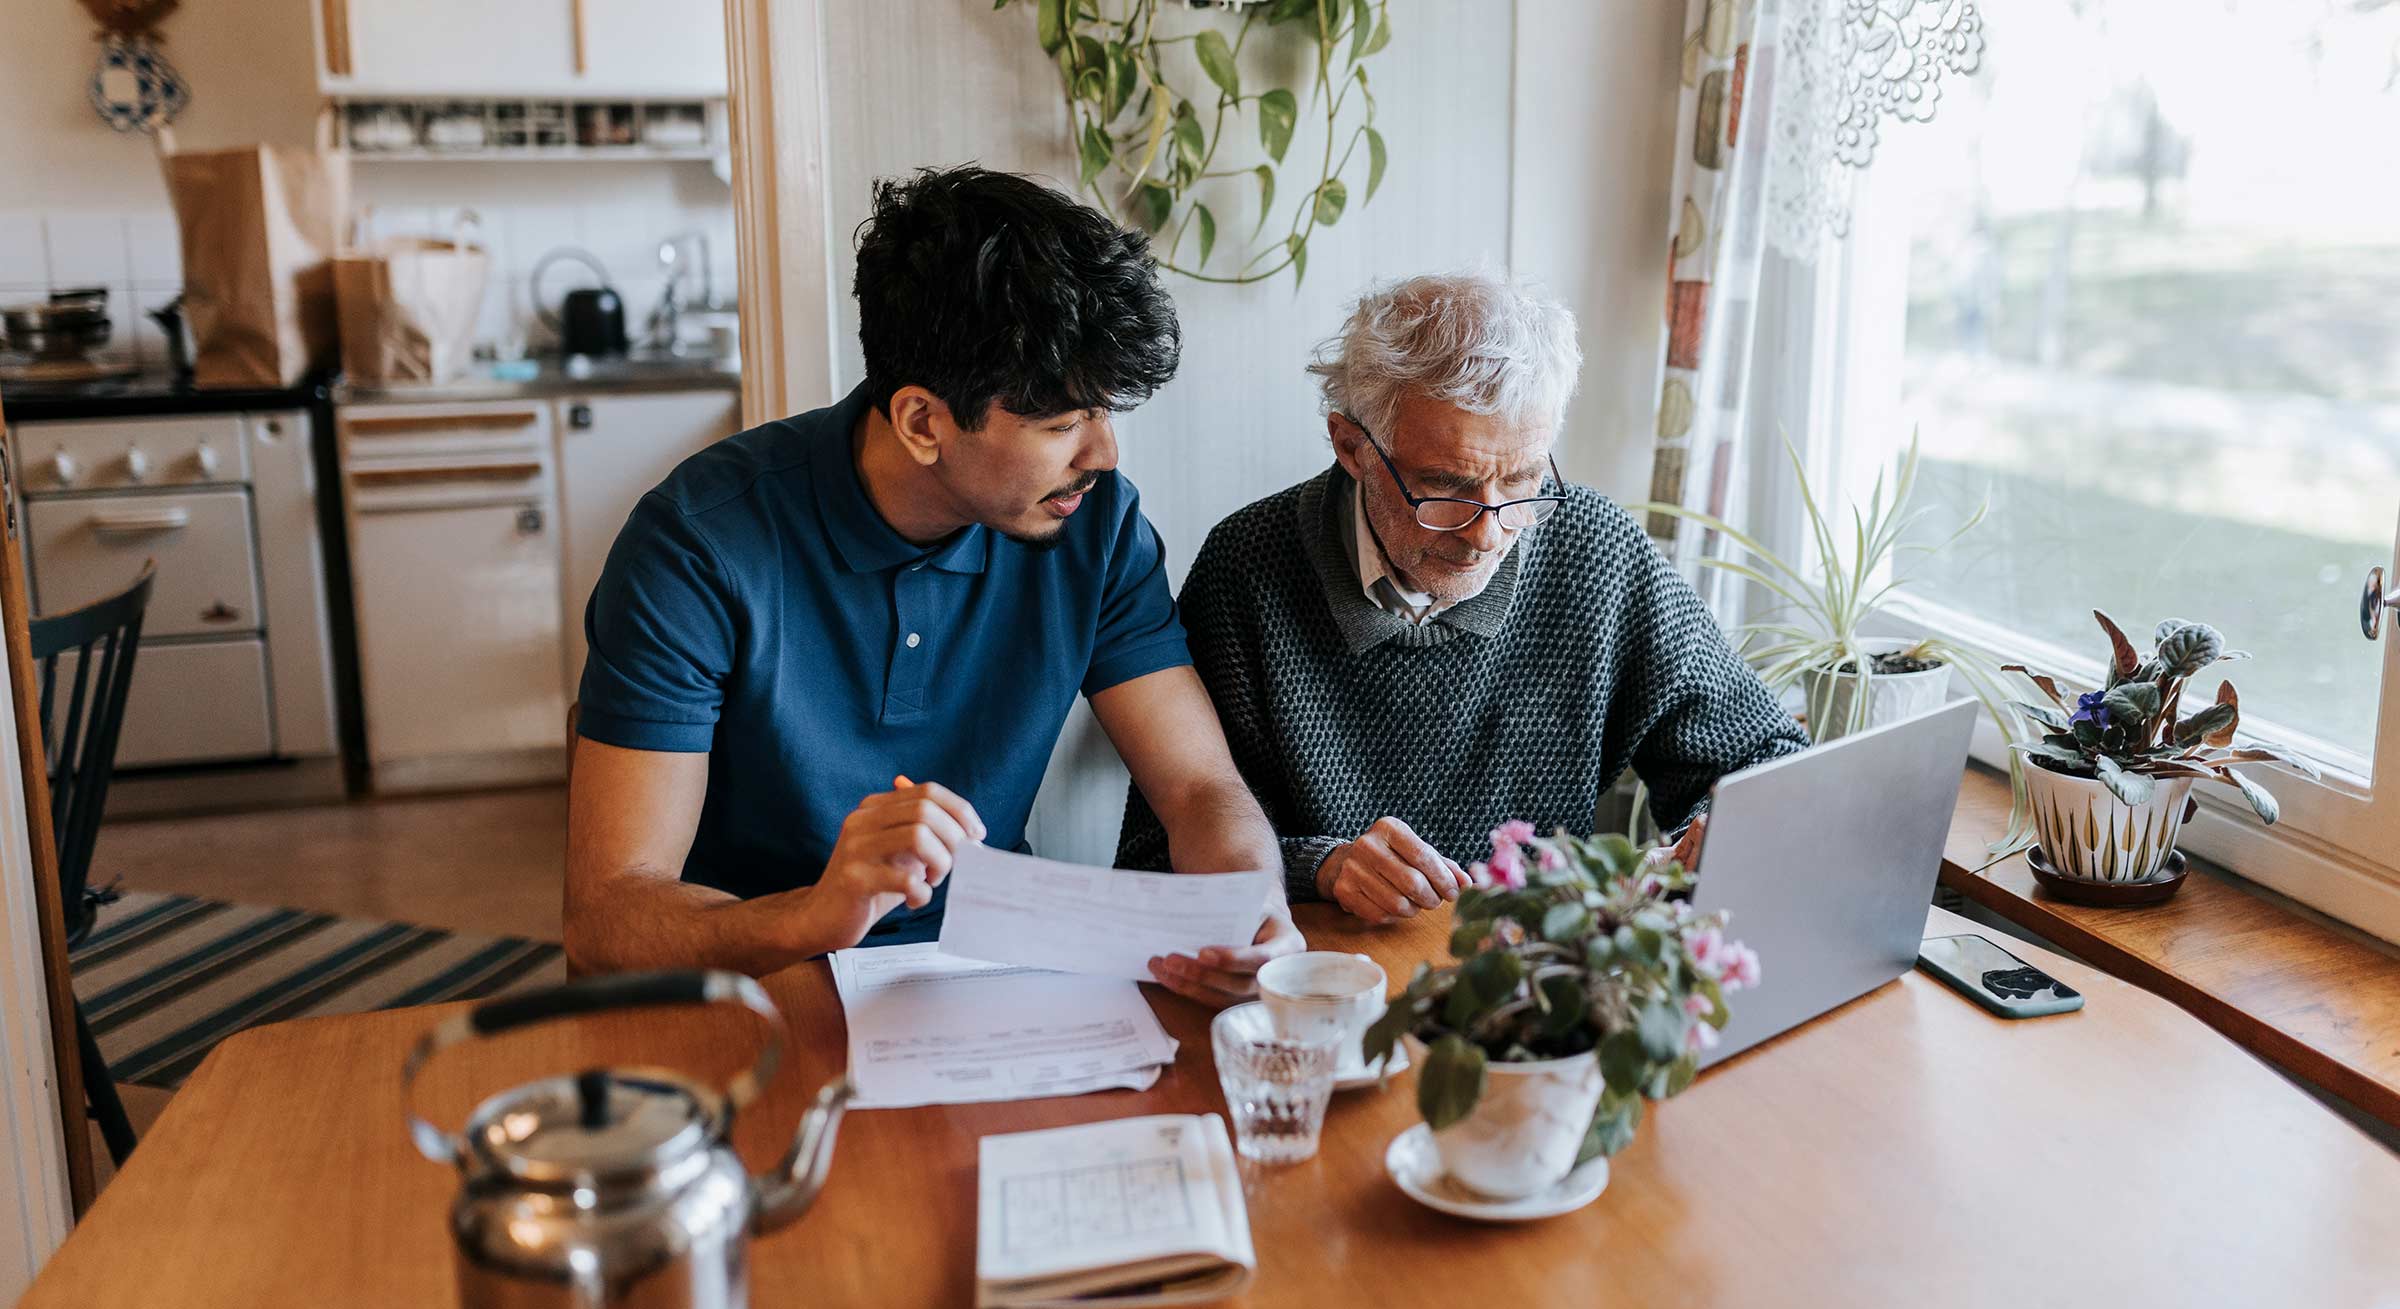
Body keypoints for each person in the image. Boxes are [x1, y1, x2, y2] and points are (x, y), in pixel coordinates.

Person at [566, 165, 1299, 1003]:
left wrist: (1250, 898)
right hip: (757, 992)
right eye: (1062, 424)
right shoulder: (696, 546)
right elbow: (607, 919)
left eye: (1105, 414)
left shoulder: (1095, 525)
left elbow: (1200, 786)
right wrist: (817, 915)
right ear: (922, 422)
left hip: (996, 987)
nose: (1104, 455)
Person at [1116, 272, 1806, 921]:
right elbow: (1157, 861)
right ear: (1350, 446)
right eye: (1445, 486)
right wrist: (1319, 869)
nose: (1487, 531)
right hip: (1334, 980)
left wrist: (1704, 840)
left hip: (1537, 984)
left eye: (1523, 480)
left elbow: (1766, 758)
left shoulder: (1594, 549)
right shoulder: (1247, 569)